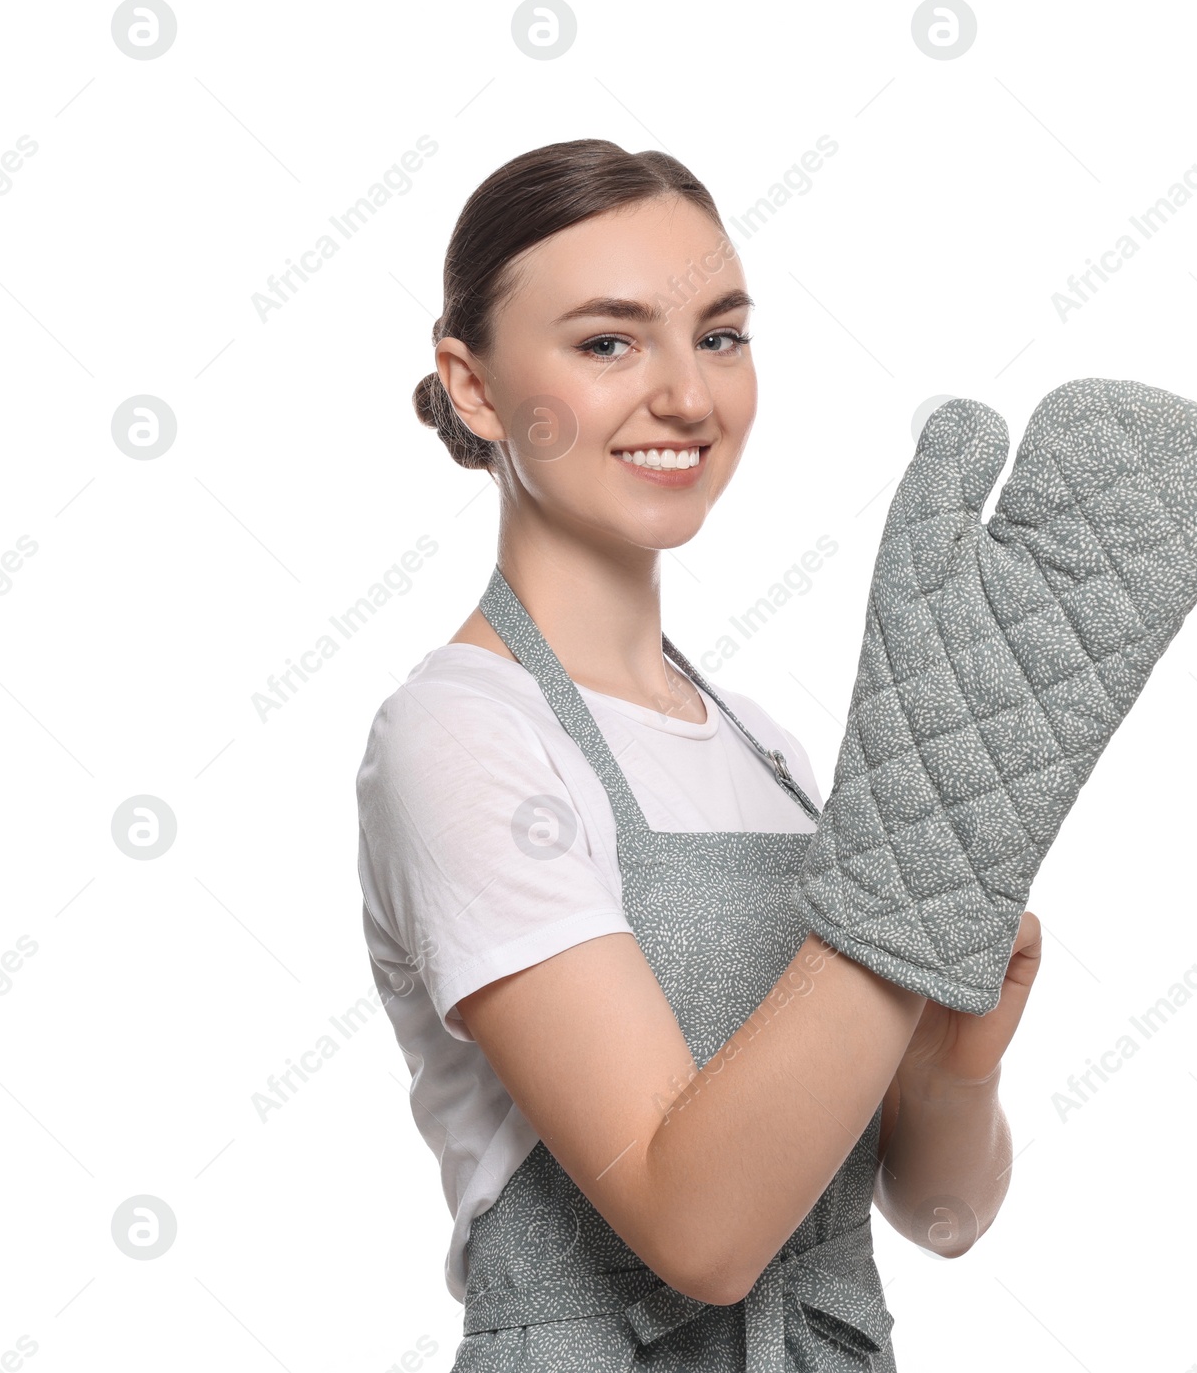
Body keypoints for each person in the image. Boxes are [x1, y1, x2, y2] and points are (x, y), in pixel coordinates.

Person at [354, 138, 1043, 1370]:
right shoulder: (463, 738)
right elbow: (700, 1229)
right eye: (608, 342)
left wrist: (959, 1057)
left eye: (719, 336)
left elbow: (942, 1214)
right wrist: (900, 898)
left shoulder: (764, 747)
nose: (687, 395)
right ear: (473, 385)